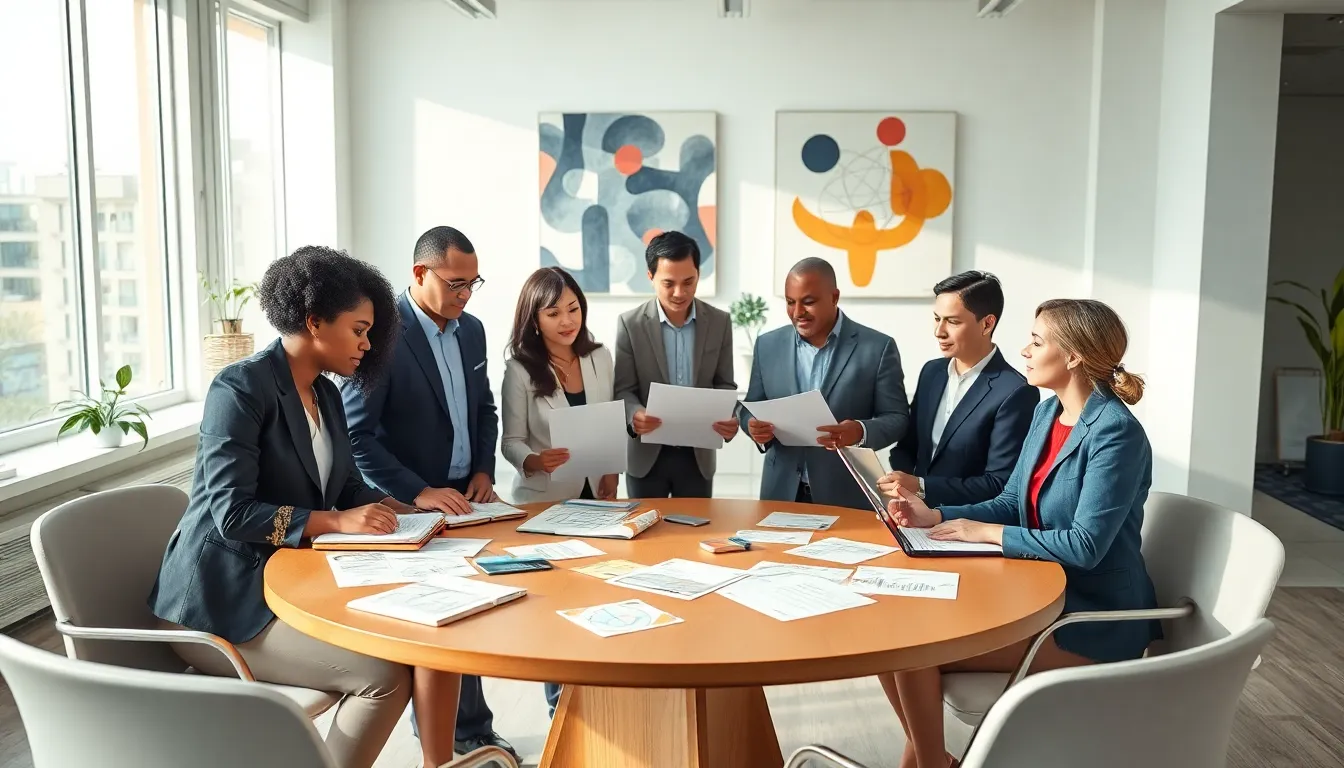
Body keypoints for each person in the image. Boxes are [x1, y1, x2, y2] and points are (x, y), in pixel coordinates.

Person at [148, 246, 461, 768]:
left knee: (430, 642)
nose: (367, 345)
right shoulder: (239, 389)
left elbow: (347, 488)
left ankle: (439, 762)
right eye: (359, 330)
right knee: (383, 678)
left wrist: (409, 512)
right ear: (314, 321)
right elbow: (232, 513)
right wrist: (337, 521)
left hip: (288, 581)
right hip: (218, 605)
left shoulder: (326, 395)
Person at [878, 298, 1160, 768]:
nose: (1024, 351)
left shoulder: (1116, 433)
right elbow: (1011, 501)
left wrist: (985, 533)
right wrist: (936, 515)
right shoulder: (1047, 414)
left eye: (1036, 341)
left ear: (1073, 356)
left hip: (1092, 618)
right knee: (893, 641)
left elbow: (1085, 546)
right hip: (1036, 594)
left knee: (912, 650)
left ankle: (927, 764)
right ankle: (933, 762)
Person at [340, 226, 515, 760]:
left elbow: (484, 408)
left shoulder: (472, 331)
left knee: (474, 608)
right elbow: (356, 435)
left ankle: (473, 731)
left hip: (468, 497)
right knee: (438, 622)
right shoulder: (378, 336)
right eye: (456, 283)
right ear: (420, 273)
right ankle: (450, 742)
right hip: (409, 504)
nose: (466, 295)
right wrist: (418, 492)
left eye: (473, 283)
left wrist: (483, 469)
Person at [499, 266, 618, 718]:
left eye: (573, 309)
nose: (567, 321)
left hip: (597, 499)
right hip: (543, 501)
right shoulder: (520, 370)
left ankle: (595, 695)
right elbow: (511, 441)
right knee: (555, 605)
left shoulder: (599, 357)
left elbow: (609, 421)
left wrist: (612, 472)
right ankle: (559, 710)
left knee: (596, 596)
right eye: (553, 313)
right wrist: (534, 459)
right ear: (534, 319)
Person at [739, 257, 910, 509]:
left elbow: (898, 418)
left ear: (834, 297)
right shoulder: (767, 345)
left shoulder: (877, 347)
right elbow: (750, 406)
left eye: (808, 302)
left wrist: (860, 431)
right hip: (780, 492)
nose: (798, 312)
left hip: (846, 494)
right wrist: (752, 426)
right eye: (790, 302)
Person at [879, 271, 1038, 508]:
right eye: (937, 319)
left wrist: (921, 486)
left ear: (987, 324)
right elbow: (907, 448)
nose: (939, 331)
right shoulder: (931, 372)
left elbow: (999, 483)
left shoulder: (1016, 391)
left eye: (953, 322)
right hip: (909, 513)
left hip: (964, 521)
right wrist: (902, 487)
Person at [614, 231, 738, 497]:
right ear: (650, 277)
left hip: (698, 456)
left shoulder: (720, 322)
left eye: (688, 282)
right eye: (668, 283)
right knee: (645, 524)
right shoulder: (630, 324)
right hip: (646, 457)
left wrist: (731, 418)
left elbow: (725, 384)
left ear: (698, 275)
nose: (680, 293)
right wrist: (635, 414)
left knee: (696, 524)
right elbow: (624, 389)